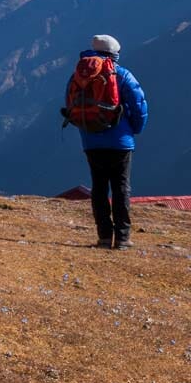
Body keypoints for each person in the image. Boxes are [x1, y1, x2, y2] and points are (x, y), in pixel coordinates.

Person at [69, 34, 148, 250]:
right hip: (121, 141)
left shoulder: (79, 75)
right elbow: (139, 105)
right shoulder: (122, 75)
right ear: (114, 54)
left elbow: (72, 104)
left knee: (99, 187)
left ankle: (104, 237)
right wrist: (134, 129)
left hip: (91, 140)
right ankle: (122, 238)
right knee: (121, 187)